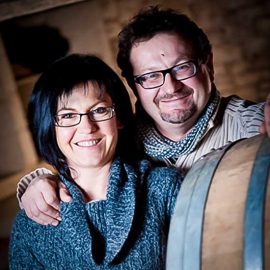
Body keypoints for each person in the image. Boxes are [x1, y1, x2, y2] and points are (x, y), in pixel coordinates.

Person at [16, 6, 269, 225]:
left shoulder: (256, 128)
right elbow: (82, 169)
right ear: (133, 84)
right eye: (150, 76)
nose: (170, 87)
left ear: (209, 65)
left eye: (182, 68)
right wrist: (38, 182)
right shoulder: (120, 139)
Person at [9, 54, 182, 269]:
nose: (87, 127)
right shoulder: (30, 226)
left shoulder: (163, 188)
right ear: (49, 128)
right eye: (67, 116)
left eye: (99, 110)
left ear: (118, 118)